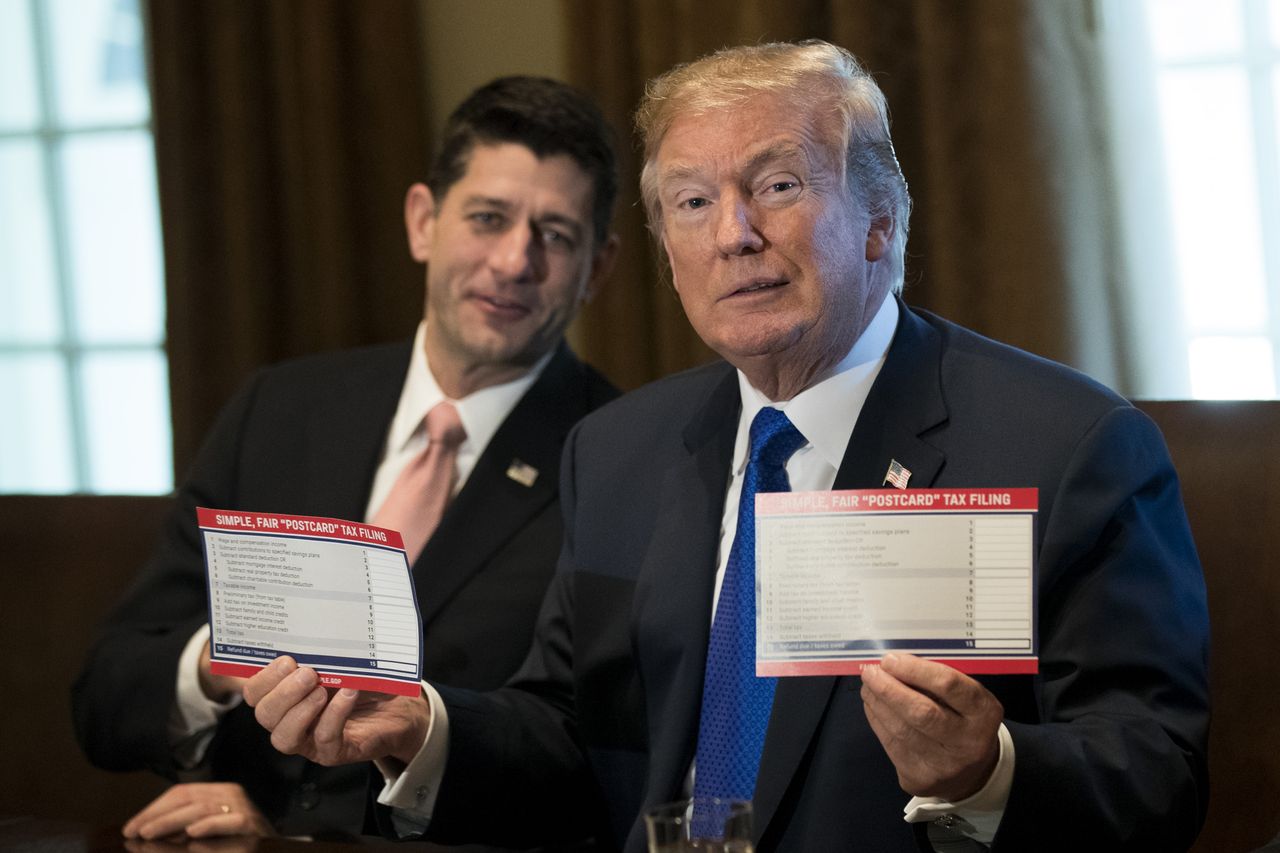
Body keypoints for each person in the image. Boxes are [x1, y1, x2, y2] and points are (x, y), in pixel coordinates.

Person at [236, 41, 1211, 852]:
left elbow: (1155, 774)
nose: (732, 235)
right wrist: (424, 729)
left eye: (775, 185)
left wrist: (985, 770)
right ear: (665, 251)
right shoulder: (616, 450)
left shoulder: (1063, 444)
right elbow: (569, 743)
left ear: (878, 221)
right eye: (692, 204)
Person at [71, 75, 620, 842]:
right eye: (487, 218)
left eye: (555, 235)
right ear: (423, 221)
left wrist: (418, 736)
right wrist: (222, 665)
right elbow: (105, 694)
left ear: (596, 268)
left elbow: (601, 762)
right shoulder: (280, 408)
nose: (513, 261)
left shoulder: (620, 454)